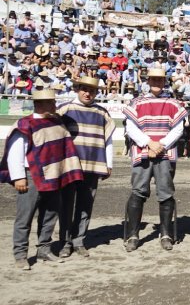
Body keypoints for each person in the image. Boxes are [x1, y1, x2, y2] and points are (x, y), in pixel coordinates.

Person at [0, 90, 84, 270]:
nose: (55, 106)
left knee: (50, 214)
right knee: (25, 217)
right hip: (31, 176)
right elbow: (16, 153)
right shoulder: (24, 124)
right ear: (40, 104)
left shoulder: (57, 123)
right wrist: (19, 177)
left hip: (53, 175)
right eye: (51, 103)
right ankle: (20, 254)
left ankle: (44, 249)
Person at [122, 68, 188, 252]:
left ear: (164, 81)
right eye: (154, 80)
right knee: (138, 191)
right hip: (143, 151)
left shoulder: (174, 103)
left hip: (164, 153)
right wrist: (149, 143)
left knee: (165, 192)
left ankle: (165, 233)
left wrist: (161, 145)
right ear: (148, 80)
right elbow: (131, 127)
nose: (157, 83)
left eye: (160, 80)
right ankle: (133, 235)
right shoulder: (136, 102)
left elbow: (178, 129)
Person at [56, 77, 115, 258]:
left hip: (93, 164)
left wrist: (109, 164)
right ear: (77, 89)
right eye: (84, 89)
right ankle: (65, 242)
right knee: (66, 205)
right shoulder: (64, 109)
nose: (88, 93)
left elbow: (108, 140)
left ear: (97, 93)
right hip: (69, 167)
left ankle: (79, 241)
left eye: (92, 90)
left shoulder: (102, 112)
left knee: (85, 205)